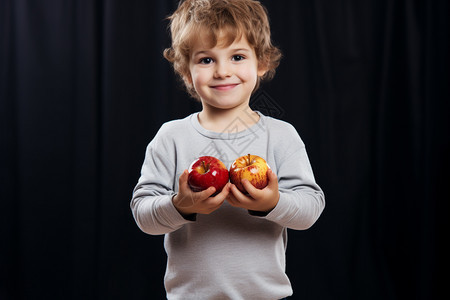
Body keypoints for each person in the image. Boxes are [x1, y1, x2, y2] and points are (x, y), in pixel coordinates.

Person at [130, 0, 325, 299]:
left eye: (237, 56)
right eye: (206, 60)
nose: (222, 71)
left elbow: (310, 209)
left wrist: (272, 203)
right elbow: (143, 215)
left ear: (261, 62)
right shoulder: (171, 137)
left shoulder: (281, 136)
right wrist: (181, 206)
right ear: (186, 71)